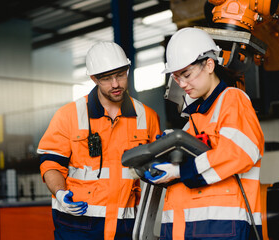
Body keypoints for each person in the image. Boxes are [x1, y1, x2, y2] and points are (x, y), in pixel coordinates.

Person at [144, 27, 265, 240]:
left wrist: (179, 171)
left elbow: (238, 152)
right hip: (188, 230)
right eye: (176, 77)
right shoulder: (191, 122)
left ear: (209, 65)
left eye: (187, 74)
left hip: (221, 228)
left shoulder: (232, 100)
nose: (181, 84)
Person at [37, 41, 161, 240]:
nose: (115, 84)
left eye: (120, 75)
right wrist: (60, 193)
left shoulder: (147, 117)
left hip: (126, 225)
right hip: (77, 224)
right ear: (94, 78)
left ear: (128, 70)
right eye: (106, 78)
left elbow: (156, 168)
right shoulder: (68, 115)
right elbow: (51, 163)